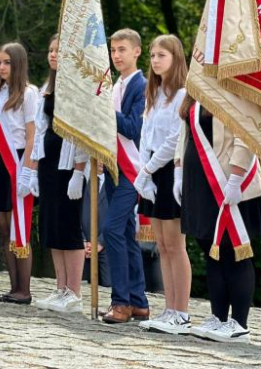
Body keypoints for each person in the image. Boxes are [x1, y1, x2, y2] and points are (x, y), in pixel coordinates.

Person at [175, 94, 261, 343]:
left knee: (233, 251)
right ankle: (219, 317)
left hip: (229, 183)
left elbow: (244, 135)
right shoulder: (196, 93)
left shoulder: (235, 88)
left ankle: (239, 323)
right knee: (211, 250)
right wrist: (178, 169)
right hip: (200, 185)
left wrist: (236, 176)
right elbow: (185, 133)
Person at [133, 34, 190, 334]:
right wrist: (144, 170)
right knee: (161, 245)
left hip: (170, 170)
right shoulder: (153, 94)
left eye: (162, 55)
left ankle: (181, 310)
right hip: (151, 171)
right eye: (153, 55)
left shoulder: (182, 94)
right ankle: (168, 308)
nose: (155, 60)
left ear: (175, 58)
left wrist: (151, 168)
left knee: (175, 244)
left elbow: (174, 140)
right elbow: (145, 134)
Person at [0, 42, 38, 305]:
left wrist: (28, 171)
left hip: (17, 160)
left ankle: (24, 290)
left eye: (7, 62)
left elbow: (34, 133)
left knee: (18, 227)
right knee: (3, 227)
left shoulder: (28, 93)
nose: (1, 67)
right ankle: (13, 287)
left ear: (18, 64)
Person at [31, 34, 88, 314]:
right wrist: (33, 165)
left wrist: (79, 169)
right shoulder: (49, 86)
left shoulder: (76, 87)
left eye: (59, 51)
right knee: (51, 225)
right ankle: (61, 287)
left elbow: (80, 132)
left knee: (68, 226)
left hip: (69, 165)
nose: (53, 55)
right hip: (49, 163)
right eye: (51, 50)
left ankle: (74, 291)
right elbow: (41, 126)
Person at [101, 29, 150, 324]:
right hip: (113, 167)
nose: (117, 55)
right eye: (114, 50)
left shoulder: (141, 86)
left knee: (111, 229)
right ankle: (138, 301)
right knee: (126, 236)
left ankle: (120, 301)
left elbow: (132, 128)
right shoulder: (115, 85)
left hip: (133, 169)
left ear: (136, 52)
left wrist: (105, 107)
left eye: (122, 50)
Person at [81, 170, 111, 288]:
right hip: (84, 246)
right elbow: (73, 211)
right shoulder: (81, 181)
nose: (100, 160)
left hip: (106, 244)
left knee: (108, 285)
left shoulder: (114, 184)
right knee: (82, 286)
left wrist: (100, 242)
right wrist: (82, 240)